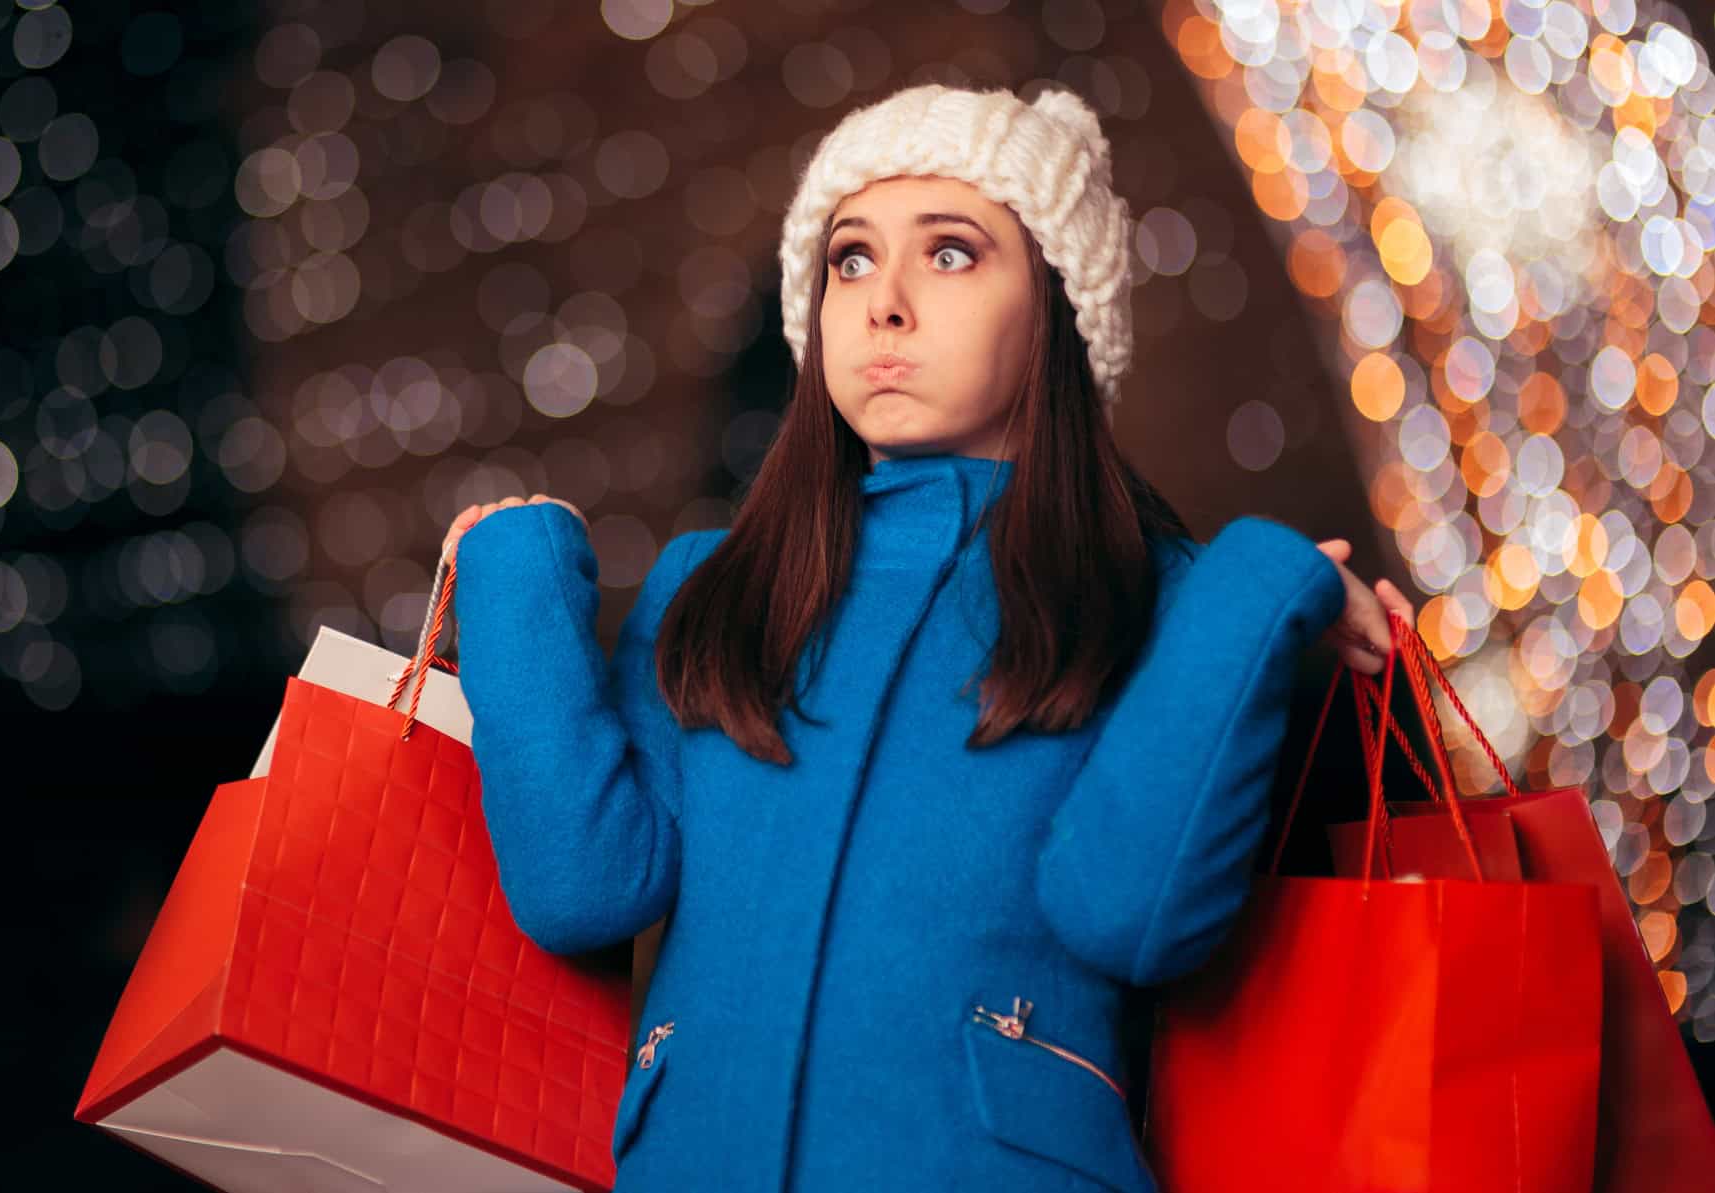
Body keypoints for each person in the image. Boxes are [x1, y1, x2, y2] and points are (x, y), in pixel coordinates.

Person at [441, 82, 1415, 1193]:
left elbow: (1131, 916)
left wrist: (1259, 584)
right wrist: (516, 575)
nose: (882, 304)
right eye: (849, 261)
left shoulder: (1154, 595)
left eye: (951, 253)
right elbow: (586, 886)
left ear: (1056, 305)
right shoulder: (715, 586)